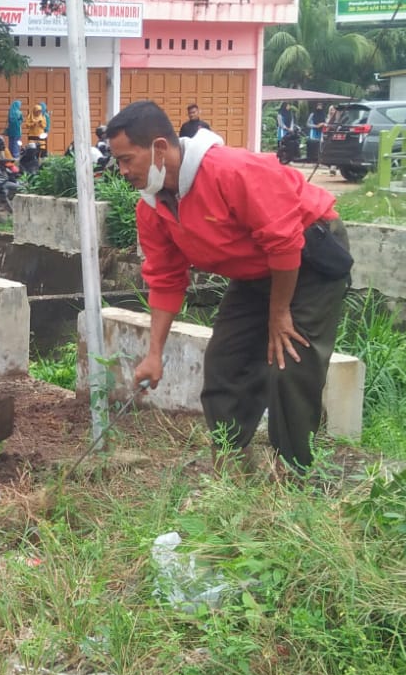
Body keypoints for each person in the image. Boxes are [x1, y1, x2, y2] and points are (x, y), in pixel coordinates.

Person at [105, 100, 352, 475]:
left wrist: (279, 314)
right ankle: (231, 466)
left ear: (158, 148)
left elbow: (285, 243)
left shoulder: (231, 170)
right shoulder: (153, 207)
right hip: (255, 271)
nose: (122, 171)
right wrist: (153, 353)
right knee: (224, 361)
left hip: (308, 260)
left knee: (289, 362)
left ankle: (296, 472)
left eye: (127, 159)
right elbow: (166, 278)